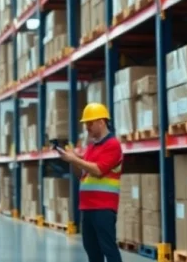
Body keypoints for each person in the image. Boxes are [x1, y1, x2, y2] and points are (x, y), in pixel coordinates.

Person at [56, 103, 123, 262]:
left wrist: (75, 159)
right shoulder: (92, 147)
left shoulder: (113, 145)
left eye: (90, 123)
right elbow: (83, 174)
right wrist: (72, 161)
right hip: (87, 207)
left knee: (108, 249)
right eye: (86, 124)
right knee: (92, 250)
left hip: (103, 207)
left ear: (101, 122)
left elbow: (99, 170)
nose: (87, 127)